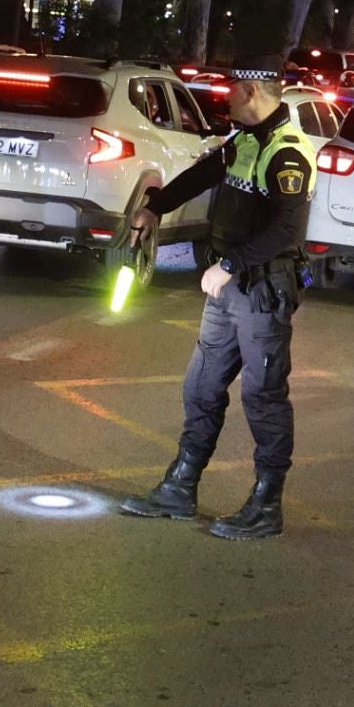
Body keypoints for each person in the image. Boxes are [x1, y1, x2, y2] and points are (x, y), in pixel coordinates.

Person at [119, 52, 317, 541]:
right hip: (229, 289)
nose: (224, 95)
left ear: (251, 92)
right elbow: (205, 173)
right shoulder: (245, 140)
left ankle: (266, 504)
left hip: (261, 291)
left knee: (263, 397)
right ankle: (180, 487)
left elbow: (287, 229)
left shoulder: (288, 151)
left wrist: (229, 265)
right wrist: (154, 207)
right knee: (202, 387)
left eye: (231, 88)